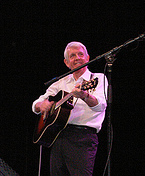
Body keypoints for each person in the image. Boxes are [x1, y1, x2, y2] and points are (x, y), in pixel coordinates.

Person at [32, 42, 107, 176]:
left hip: (82, 138)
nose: (77, 58)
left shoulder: (97, 78)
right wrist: (41, 105)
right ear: (67, 62)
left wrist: (84, 95)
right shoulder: (60, 83)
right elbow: (36, 104)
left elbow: (100, 106)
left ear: (88, 57)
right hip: (57, 136)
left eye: (80, 54)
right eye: (72, 56)